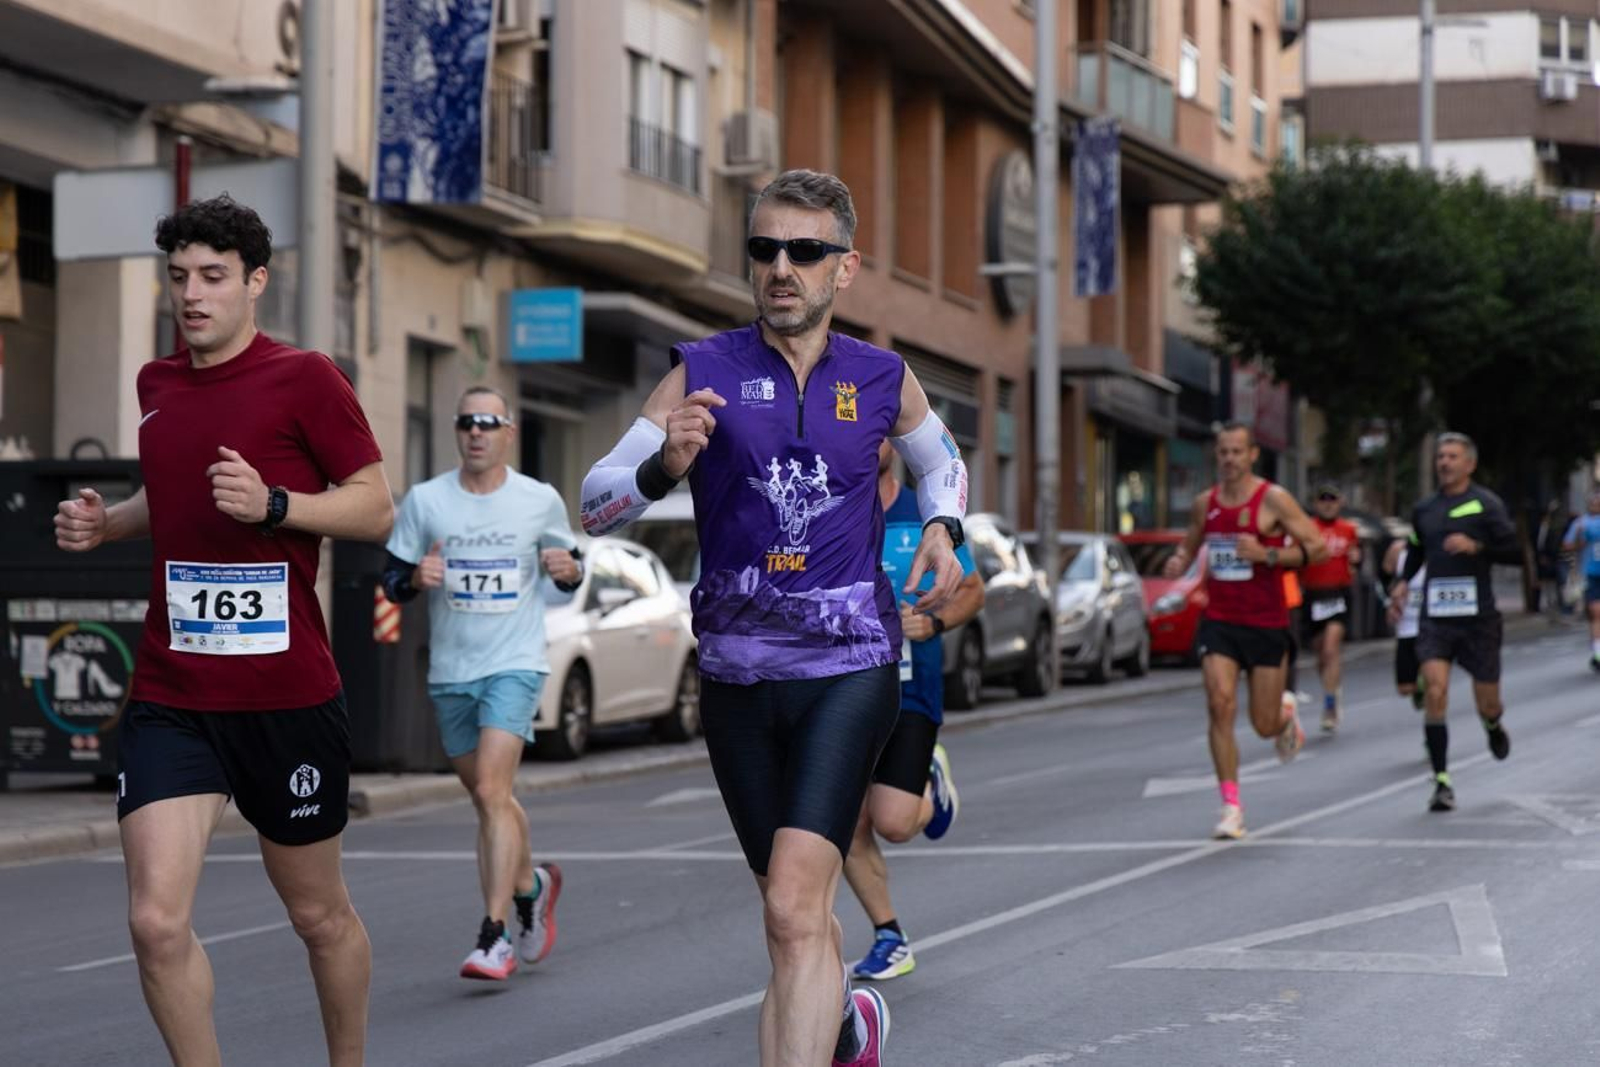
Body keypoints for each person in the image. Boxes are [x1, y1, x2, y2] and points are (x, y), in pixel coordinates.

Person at [578, 169, 966, 1067]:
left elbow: (941, 463)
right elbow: (594, 501)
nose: (781, 267)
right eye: (764, 249)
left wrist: (942, 526)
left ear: (846, 267)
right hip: (737, 678)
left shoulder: (881, 375)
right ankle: (846, 1026)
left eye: (805, 250)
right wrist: (659, 466)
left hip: (849, 663)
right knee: (792, 914)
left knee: (795, 903)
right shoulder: (701, 370)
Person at [54, 196, 392, 1066]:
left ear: (255, 283)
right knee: (154, 922)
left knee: (318, 916)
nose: (192, 295)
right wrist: (112, 522)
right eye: (178, 278)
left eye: (212, 277)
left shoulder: (306, 378)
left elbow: (374, 507)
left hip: (286, 695)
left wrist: (277, 504)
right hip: (175, 692)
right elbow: (173, 500)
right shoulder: (156, 384)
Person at [382, 386, 580, 980]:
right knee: (489, 798)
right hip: (452, 671)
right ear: (456, 430)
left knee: (493, 791)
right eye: (467, 422)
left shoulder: (537, 500)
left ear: (508, 433)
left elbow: (569, 569)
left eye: (488, 423)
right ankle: (532, 885)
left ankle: (493, 935)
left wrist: (569, 572)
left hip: (516, 663)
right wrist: (415, 577)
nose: (476, 432)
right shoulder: (426, 500)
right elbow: (391, 580)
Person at [843, 441, 984, 983]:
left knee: (895, 824)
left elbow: (972, 589)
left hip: (909, 688)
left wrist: (937, 622)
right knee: (845, 822)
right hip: (845, 688)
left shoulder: (925, 515)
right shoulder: (830, 510)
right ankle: (889, 936)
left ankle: (929, 774)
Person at [1164, 422, 1327, 841]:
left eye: (1237, 452)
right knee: (1220, 705)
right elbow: (1192, 541)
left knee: (1263, 725)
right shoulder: (1206, 503)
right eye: (1223, 452)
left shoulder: (1273, 499)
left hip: (1266, 622)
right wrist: (1180, 560)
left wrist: (1268, 554)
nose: (1230, 459)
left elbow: (1317, 546)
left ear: (1253, 454)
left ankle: (1284, 717)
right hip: (1220, 620)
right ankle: (1231, 806)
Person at [1388, 432, 1518, 813]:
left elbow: (1513, 551)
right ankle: (1442, 781)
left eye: (1452, 456)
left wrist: (1476, 547)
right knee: (1435, 691)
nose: (1444, 462)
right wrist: (1401, 583)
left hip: (1478, 619)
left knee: (1488, 702)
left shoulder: (1486, 504)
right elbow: (1415, 549)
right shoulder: (1425, 509)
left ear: (1469, 464)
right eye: (1441, 456)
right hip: (1436, 618)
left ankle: (1493, 727)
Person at [1300, 484, 1362, 733]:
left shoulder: (1348, 529)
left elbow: (1356, 559)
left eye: (1332, 500)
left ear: (1340, 502)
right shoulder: (1307, 529)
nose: (1327, 504)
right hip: (1313, 594)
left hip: (1338, 593)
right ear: (1316, 503)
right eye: (1322, 500)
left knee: (1331, 648)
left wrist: (1357, 560)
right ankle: (1332, 689)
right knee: (1320, 653)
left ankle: (1329, 706)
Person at [1382, 538, 1428, 711]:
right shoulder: (1398, 550)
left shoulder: (1440, 548)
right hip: (1406, 625)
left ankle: (1426, 680)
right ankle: (1419, 686)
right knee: (1405, 688)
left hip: (1430, 625)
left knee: (1433, 671)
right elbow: (1382, 580)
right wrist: (1388, 603)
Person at [1560, 491, 1600, 670]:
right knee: (1596, 612)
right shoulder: (1582, 523)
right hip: (1591, 573)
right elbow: (1568, 546)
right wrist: (1579, 536)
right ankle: (1598, 653)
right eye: (1593, 501)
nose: (1595, 504)